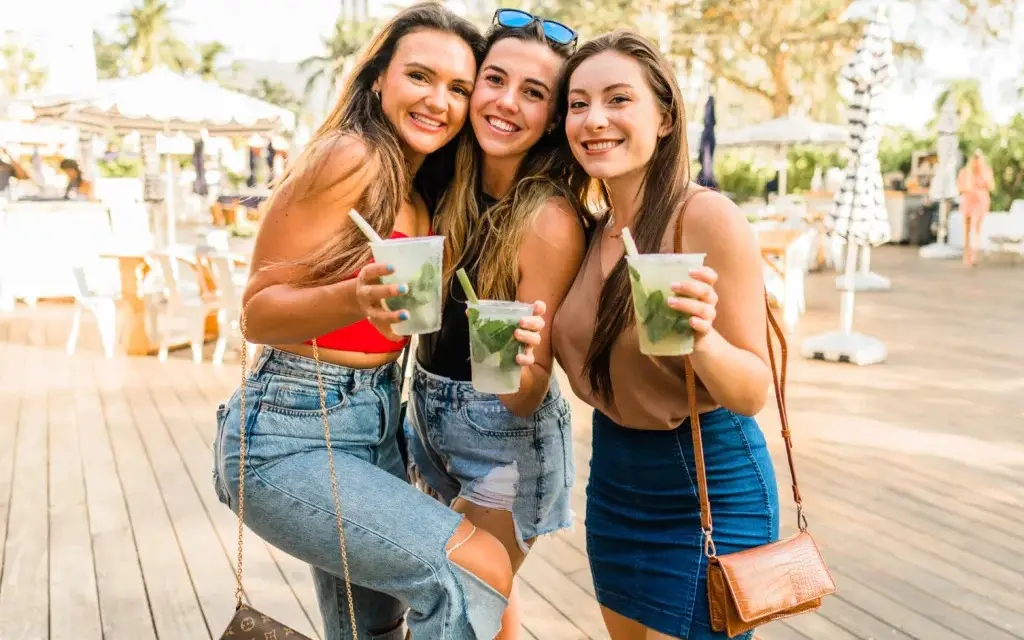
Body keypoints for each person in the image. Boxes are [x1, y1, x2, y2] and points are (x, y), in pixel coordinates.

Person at [212, 4, 527, 638]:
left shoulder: (418, 184)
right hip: (291, 431)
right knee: (477, 571)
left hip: (376, 424)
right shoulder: (349, 156)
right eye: (420, 76)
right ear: (378, 78)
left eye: (459, 88)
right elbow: (256, 313)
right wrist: (354, 299)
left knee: (372, 631)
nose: (439, 100)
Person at [552, 31, 780, 640]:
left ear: (665, 116)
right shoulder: (586, 230)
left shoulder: (706, 217)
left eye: (618, 99)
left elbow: (754, 390)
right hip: (616, 482)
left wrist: (701, 339)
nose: (594, 119)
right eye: (577, 104)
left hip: (710, 484)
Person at [409, 9, 590, 639]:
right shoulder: (446, 176)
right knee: (487, 609)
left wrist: (519, 357)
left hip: (503, 449)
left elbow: (525, 395)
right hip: (425, 418)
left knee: (461, 603)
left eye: (534, 93)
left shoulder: (549, 219)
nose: (506, 103)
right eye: (494, 80)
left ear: (553, 117)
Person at [957, 149, 994, 266]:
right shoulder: (965, 172)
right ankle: (966, 252)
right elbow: (960, 187)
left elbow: (991, 186)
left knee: (976, 227)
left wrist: (982, 180)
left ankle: (974, 254)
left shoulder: (985, 170)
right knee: (967, 227)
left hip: (980, 201)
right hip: (968, 200)